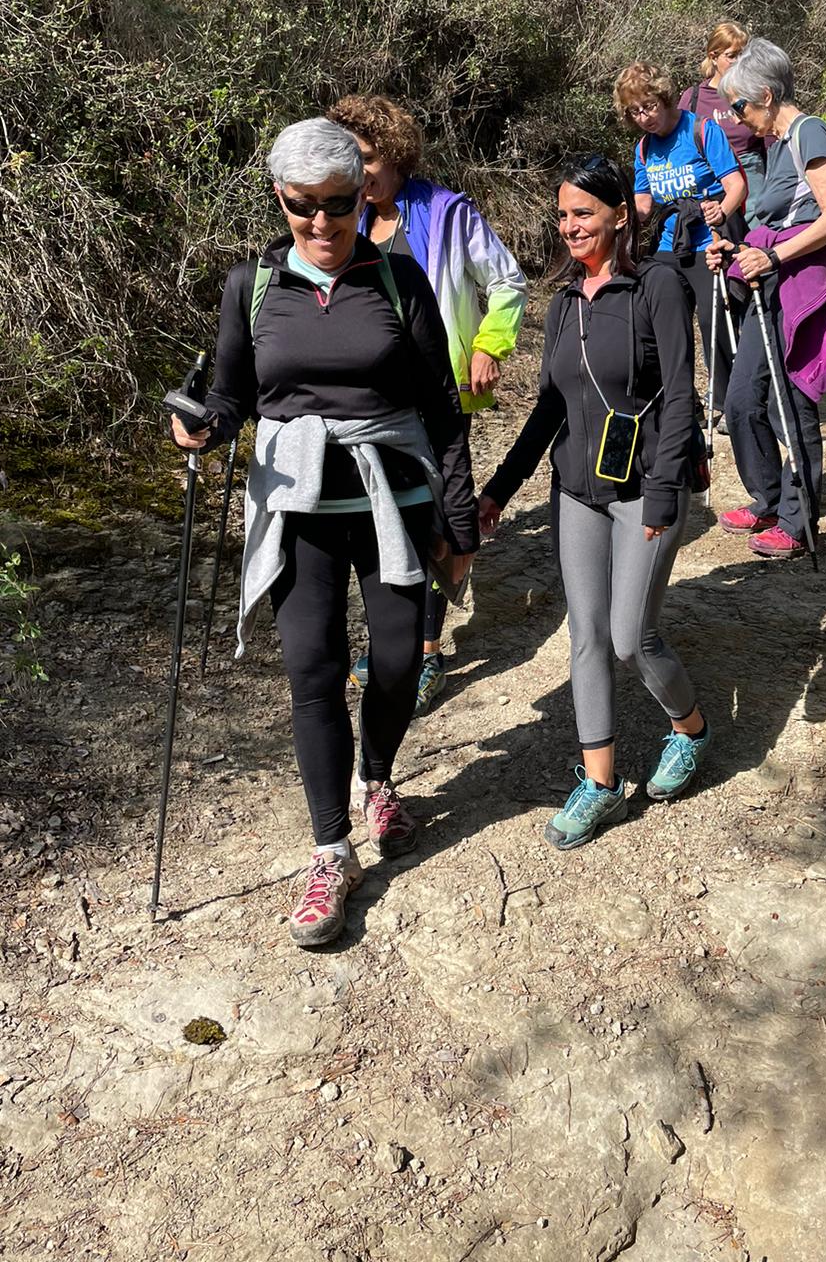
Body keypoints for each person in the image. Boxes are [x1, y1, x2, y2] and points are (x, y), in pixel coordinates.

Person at [169, 118, 478, 948]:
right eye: (303, 207)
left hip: (392, 500)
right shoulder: (253, 285)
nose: (321, 224)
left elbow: (444, 411)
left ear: (360, 196)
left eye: (338, 206)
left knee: (398, 660)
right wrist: (205, 425)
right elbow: (235, 393)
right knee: (312, 673)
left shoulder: (398, 280)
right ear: (280, 198)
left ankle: (378, 776)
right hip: (296, 508)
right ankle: (330, 850)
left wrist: (458, 518)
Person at [477, 156, 708, 850]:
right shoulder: (566, 301)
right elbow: (549, 408)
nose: (571, 226)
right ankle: (600, 782)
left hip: (644, 490)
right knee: (586, 637)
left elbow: (678, 399)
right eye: (563, 215)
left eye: (584, 212)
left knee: (631, 638)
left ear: (617, 214)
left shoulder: (657, 285)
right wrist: (499, 489)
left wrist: (666, 492)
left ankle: (689, 728)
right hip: (575, 490)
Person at [327, 95, 527, 711]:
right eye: (349, 162)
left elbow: (507, 280)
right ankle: (398, 636)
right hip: (369, 400)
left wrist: (490, 345)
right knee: (384, 519)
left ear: (394, 154)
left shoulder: (446, 213)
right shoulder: (347, 218)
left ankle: (428, 648)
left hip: (439, 394)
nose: (359, 175)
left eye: (366, 160)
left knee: (434, 516)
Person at [708, 38, 826, 559]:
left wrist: (772, 258)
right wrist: (735, 250)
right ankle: (767, 497)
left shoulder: (809, 132)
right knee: (742, 400)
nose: (737, 118)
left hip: (798, 285)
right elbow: (775, 219)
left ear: (766, 96)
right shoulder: (776, 144)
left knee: (791, 401)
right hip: (766, 281)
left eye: (740, 107)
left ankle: (798, 520)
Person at [614, 61, 746, 415]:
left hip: (709, 241)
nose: (644, 117)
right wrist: (622, 216)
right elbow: (644, 202)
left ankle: (728, 401)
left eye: (650, 106)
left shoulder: (701, 130)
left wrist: (723, 209)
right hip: (669, 243)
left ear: (666, 97)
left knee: (712, 319)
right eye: (635, 111)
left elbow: (736, 185)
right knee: (660, 321)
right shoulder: (644, 149)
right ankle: (678, 398)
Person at [678, 21, 769, 212]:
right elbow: (681, 143)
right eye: (731, 56)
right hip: (710, 178)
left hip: (752, 175)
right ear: (713, 56)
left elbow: (770, 137)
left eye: (743, 55)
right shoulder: (693, 98)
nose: (738, 62)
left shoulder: (754, 92)